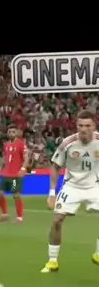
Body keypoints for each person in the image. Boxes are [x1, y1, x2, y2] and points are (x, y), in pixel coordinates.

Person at [41, 111, 99, 272]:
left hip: (95, 186)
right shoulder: (68, 143)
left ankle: (98, 254)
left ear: (93, 126)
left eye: (87, 125)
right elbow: (55, 167)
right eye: (81, 125)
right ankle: (52, 261)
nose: (84, 129)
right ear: (76, 126)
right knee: (57, 220)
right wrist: (52, 193)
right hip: (72, 186)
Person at [0, 127, 28, 223]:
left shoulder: (21, 144)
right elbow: (4, 160)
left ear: (16, 133)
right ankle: (4, 214)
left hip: (15, 176)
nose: (11, 133)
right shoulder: (6, 145)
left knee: (16, 195)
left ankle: (19, 218)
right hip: (6, 175)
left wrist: (23, 169)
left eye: (13, 132)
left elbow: (26, 158)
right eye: (9, 132)